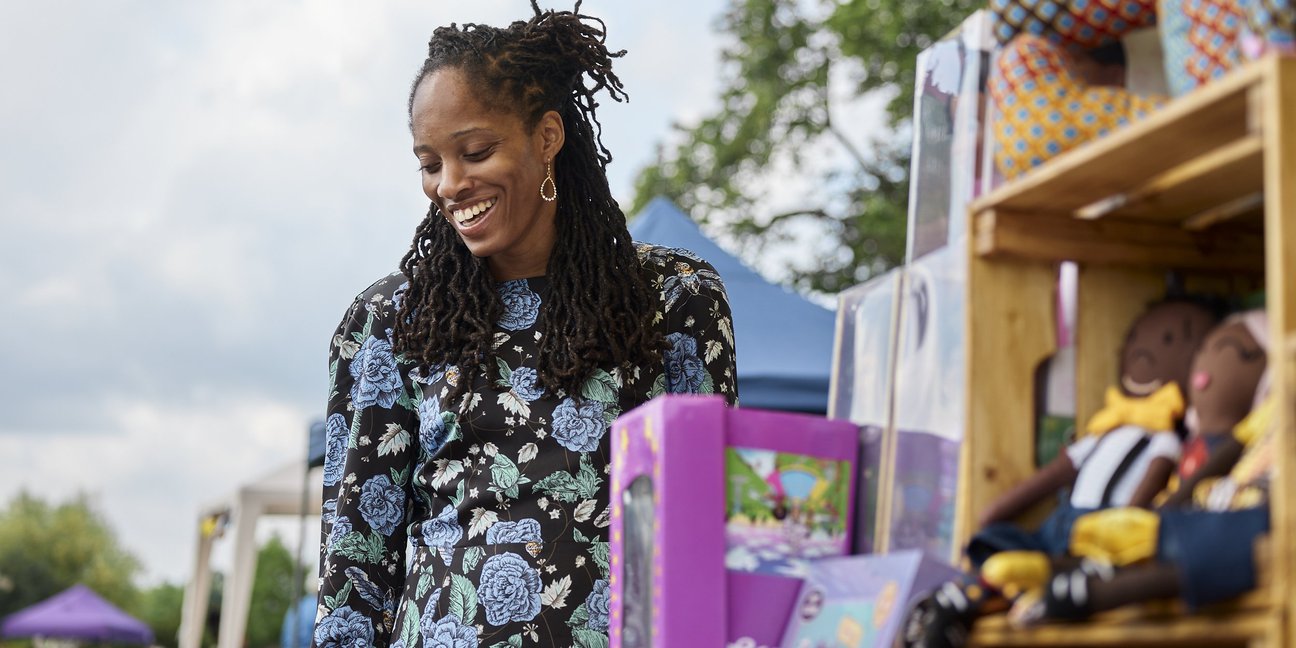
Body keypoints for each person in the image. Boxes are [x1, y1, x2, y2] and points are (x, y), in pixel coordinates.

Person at [311, 5, 739, 648]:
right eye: (430, 164)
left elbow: (710, 524)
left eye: (475, 151)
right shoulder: (388, 322)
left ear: (547, 137)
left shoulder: (674, 299)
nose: (451, 185)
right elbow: (356, 571)